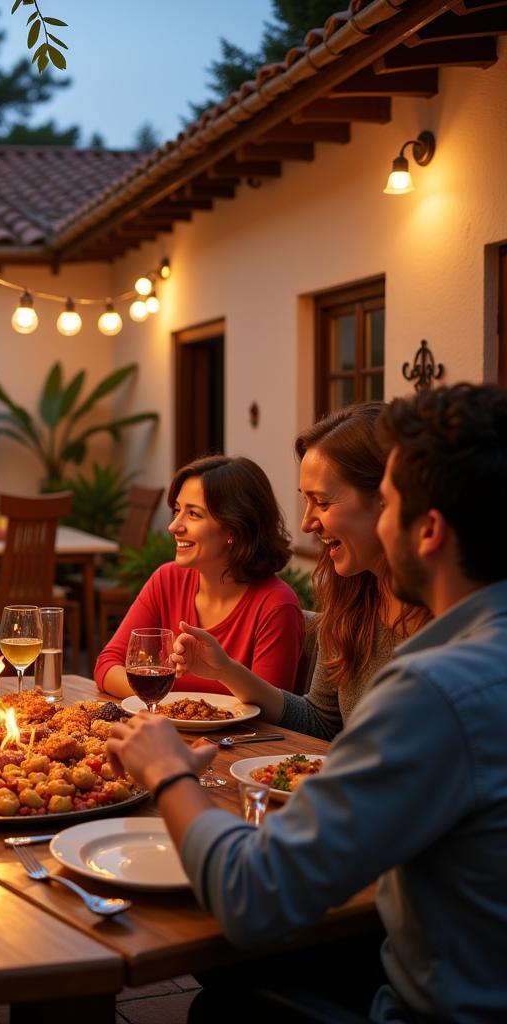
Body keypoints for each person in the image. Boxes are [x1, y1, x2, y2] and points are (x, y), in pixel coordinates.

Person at [107, 383, 507, 1023]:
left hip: (428, 998)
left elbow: (252, 895)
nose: (313, 523)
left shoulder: (435, 686)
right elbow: (325, 724)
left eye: (388, 504)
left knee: (222, 989)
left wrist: (169, 772)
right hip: (406, 918)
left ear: (426, 529)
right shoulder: (436, 632)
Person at [172, 404, 425, 738]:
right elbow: (319, 721)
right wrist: (226, 671)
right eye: (305, 501)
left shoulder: (449, 619)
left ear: (387, 498)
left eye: (322, 502)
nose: (306, 523)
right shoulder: (352, 601)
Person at [95, 455, 304, 698]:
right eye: (177, 510)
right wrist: (172, 709)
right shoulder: (168, 579)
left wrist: (171, 703)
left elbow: (272, 712)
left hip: (237, 738)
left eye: (193, 514)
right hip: (163, 731)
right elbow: (107, 666)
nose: (174, 526)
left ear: (234, 528)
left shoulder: (276, 605)